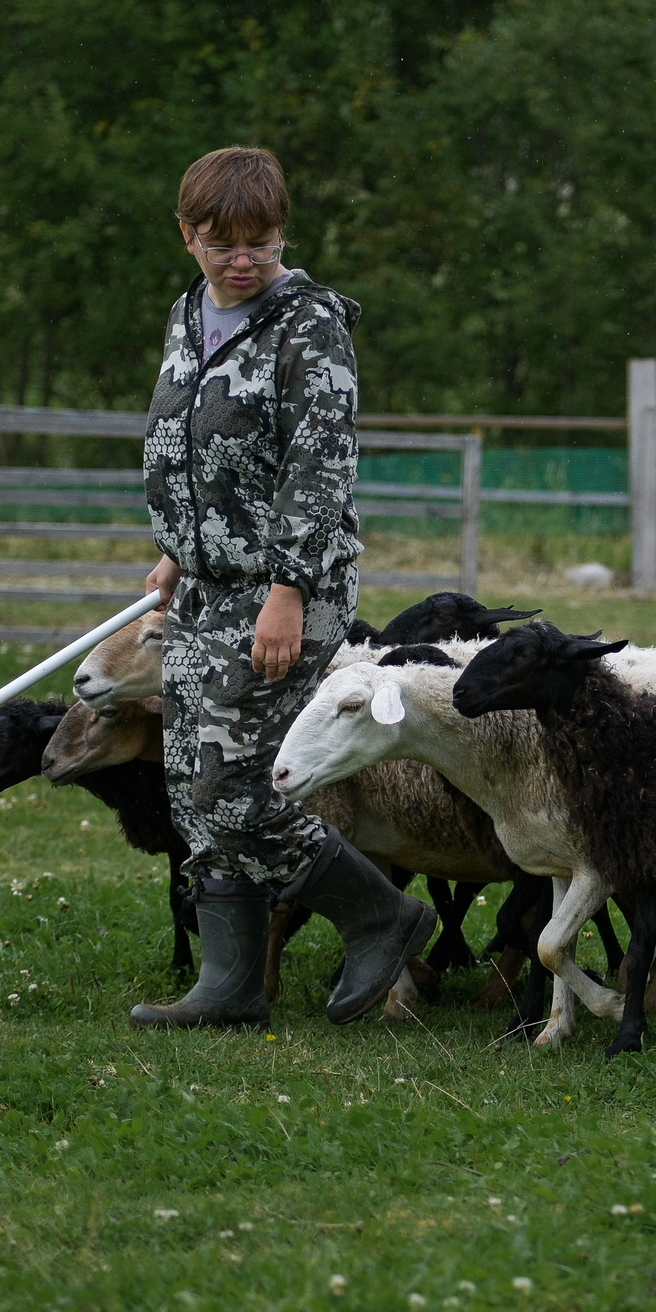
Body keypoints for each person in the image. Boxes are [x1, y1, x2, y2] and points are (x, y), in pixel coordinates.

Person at [128, 146, 432, 1029]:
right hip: (206, 585)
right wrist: (177, 548)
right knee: (189, 784)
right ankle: (232, 986)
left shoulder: (309, 325)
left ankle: (381, 915)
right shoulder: (187, 316)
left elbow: (317, 466)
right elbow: (191, 441)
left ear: (281, 233)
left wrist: (290, 589)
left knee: (234, 785)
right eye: (222, 243)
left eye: (260, 241)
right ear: (187, 236)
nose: (243, 260)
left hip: (286, 593)